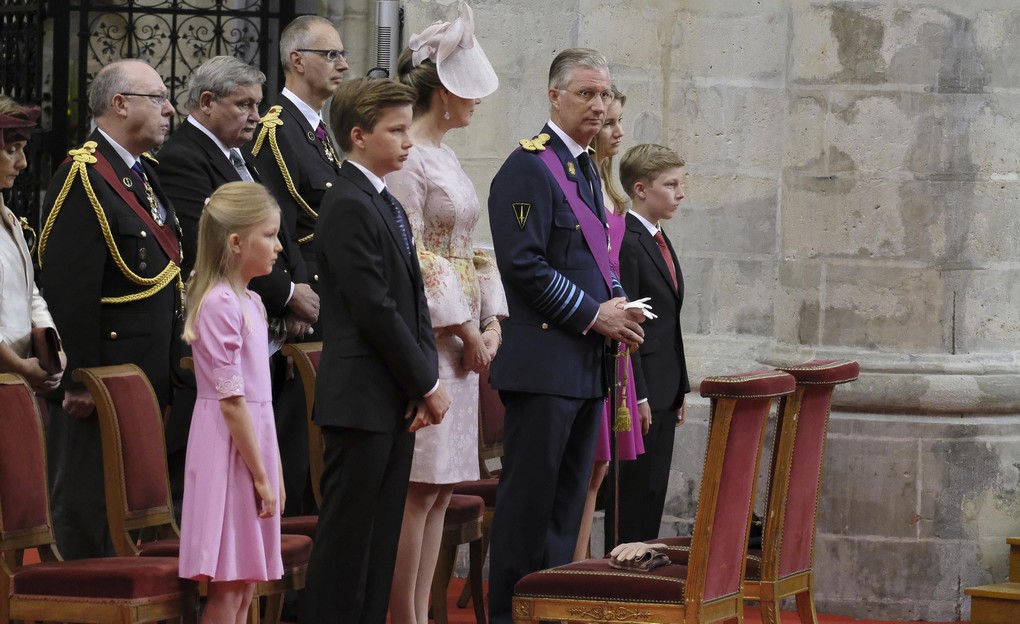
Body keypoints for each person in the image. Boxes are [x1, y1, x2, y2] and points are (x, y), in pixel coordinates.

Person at [485, 48, 646, 624]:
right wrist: (592, 314)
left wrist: (619, 315)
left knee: (567, 508)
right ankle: (509, 615)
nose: (599, 106)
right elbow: (523, 266)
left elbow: (593, 260)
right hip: (543, 366)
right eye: (587, 94)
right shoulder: (529, 166)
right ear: (554, 96)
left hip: (584, 365)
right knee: (529, 511)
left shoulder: (583, 167)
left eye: (604, 94)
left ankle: (548, 612)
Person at [302, 77, 451, 624]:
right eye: (396, 130)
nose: (408, 141)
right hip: (361, 398)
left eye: (408, 128)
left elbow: (413, 304)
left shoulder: (381, 200)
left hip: (390, 396)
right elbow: (374, 307)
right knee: (348, 545)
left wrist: (419, 382)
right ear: (359, 136)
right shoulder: (348, 203)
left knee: (379, 542)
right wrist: (427, 384)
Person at [384, 5, 506, 622]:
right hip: (431, 338)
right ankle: (403, 614)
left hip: (462, 341)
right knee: (417, 488)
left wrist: (492, 321)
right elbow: (417, 257)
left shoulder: (449, 159)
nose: (476, 105)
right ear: (446, 93)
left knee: (439, 491)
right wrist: (462, 327)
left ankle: (421, 614)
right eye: (469, 95)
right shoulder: (410, 162)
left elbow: (469, 250)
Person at [157, 55, 318, 515]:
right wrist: (288, 296)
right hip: (231, 326)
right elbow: (209, 243)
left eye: (257, 104)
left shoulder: (242, 156)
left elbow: (283, 232)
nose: (255, 115)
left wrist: (297, 292)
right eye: (243, 104)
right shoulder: (184, 158)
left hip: (268, 327)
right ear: (206, 102)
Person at [38, 59, 182, 559]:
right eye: (158, 98)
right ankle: (80, 601)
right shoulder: (85, 173)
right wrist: (78, 376)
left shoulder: (138, 173)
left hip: (142, 371)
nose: (169, 110)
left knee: (126, 506)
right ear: (120, 104)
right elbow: (67, 286)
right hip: (101, 373)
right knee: (87, 503)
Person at [249, 14, 347, 516]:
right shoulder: (275, 130)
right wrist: (290, 295)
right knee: (297, 443)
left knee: (320, 441)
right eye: (331, 55)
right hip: (305, 308)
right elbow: (279, 227)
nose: (343, 65)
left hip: (328, 300)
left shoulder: (317, 133)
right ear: (297, 59)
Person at [177, 182, 284, 624]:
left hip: (254, 441)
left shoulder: (251, 301)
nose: (279, 246)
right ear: (237, 242)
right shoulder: (221, 303)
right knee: (229, 585)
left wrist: (268, 467)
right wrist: (261, 474)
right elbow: (232, 401)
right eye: (270, 235)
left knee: (245, 586)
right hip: (230, 447)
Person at [574, 85, 646, 560]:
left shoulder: (607, 186)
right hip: (588, 327)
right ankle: (571, 570)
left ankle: (579, 569)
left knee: (599, 469)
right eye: (610, 122)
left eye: (619, 121)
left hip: (613, 332)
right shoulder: (577, 179)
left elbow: (612, 266)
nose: (618, 132)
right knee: (584, 468)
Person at [616, 143, 691, 543]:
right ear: (641, 189)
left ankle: (640, 573)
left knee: (652, 493)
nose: (680, 193)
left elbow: (668, 323)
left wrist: (679, 387)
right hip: (642, 393)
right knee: (634, 495)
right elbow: (630, 328)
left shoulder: (659, 237)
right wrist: (638, 395)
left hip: (665, 387)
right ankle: (623, 581)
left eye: (680, 183)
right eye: (671, 184)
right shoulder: (628, 241)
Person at [0, 96, 65, 391]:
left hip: (16, 381)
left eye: (23, 151)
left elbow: (31, 294)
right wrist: (17, 366)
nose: (23, 163)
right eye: (11, 150)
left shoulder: (8, 216)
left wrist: (53, 344)